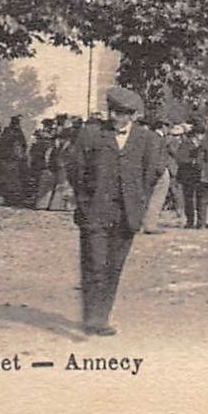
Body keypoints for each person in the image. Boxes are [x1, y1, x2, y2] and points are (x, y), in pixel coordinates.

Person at [70, 86, 166, 336]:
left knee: (114, 267)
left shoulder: (148, 140)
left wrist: (139, 201)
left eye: (123, 113)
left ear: (133, 115)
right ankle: (92, 318)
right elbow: (75, 170)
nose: (116, 117)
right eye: (113, 111)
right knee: (94, 262)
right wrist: (85, 201)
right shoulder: (90, 135)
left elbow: (152, 173)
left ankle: (102, 316)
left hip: (126, 215)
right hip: (95, 212)